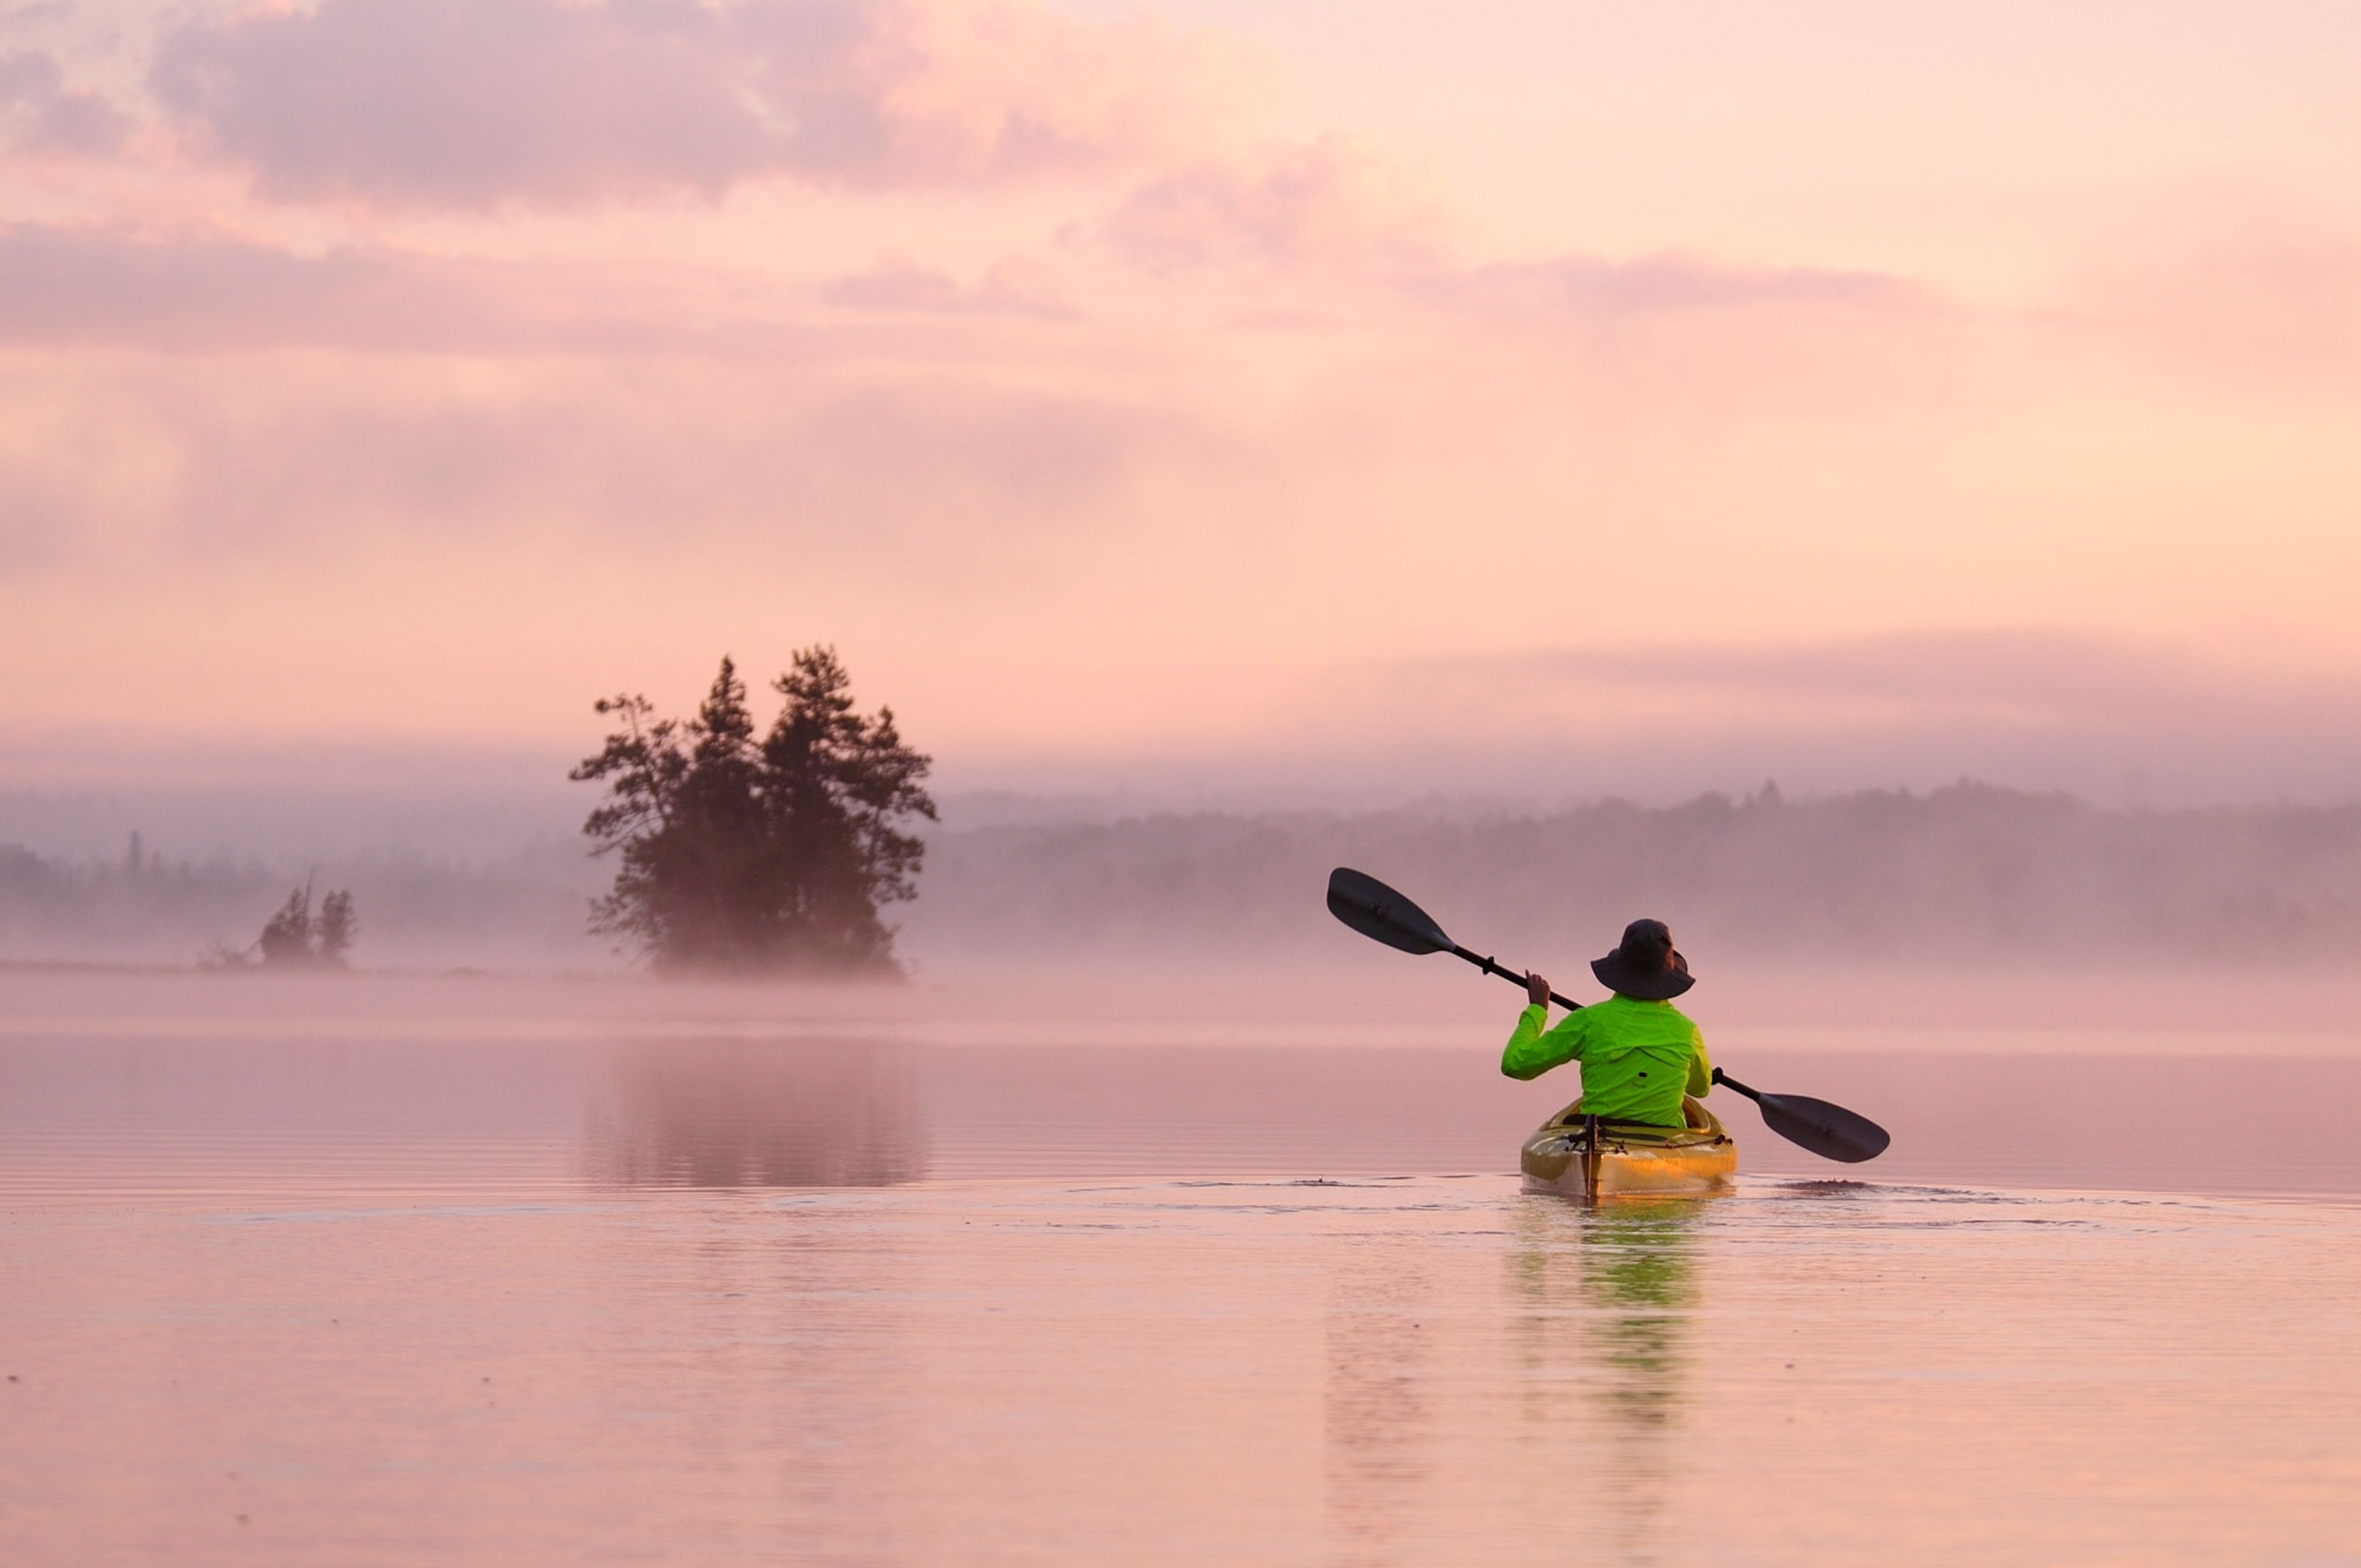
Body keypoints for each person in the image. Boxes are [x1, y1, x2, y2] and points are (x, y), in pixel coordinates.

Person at [1502, 918, 1712, 1128]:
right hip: (1665, 1138)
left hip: (1596, 1133)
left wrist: (1537, 1009)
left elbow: (1516, 1064)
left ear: (1620, 970)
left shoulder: (1588, 1020)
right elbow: (1700, 1089)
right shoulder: (1687, 1030)